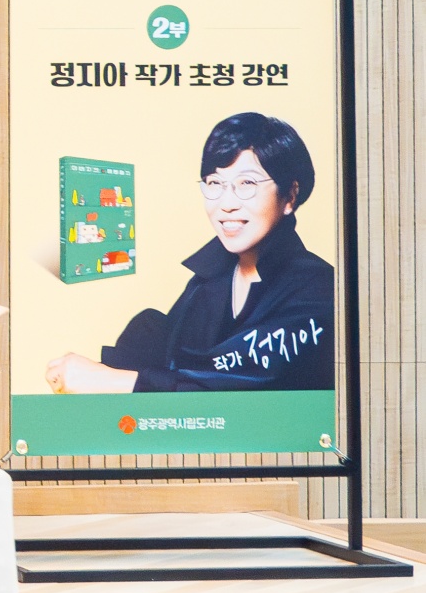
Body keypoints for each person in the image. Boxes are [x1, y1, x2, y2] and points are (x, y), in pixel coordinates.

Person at [44, 113, 333, 394]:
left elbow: (236, 386)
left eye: (246, 184)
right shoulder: (207, 282)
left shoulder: (319, 289)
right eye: (214, 183)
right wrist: (87, 374)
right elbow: (174, 369)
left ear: (290, 196)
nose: (226, 204)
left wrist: (114, 381)